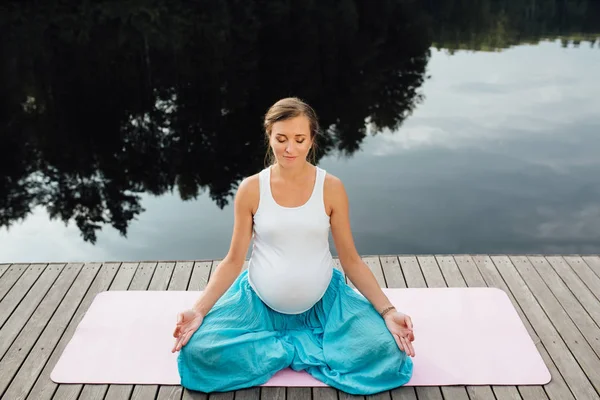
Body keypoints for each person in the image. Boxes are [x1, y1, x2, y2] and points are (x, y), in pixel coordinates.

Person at [172, 97, 415, 395]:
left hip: (326, 306)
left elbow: (351, 260)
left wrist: (388, 311)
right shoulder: (250, 189)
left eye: (300, 139)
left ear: (312, 140)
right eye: (281, 139)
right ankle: (302, 347)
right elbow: (234, 261)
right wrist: (198, 310)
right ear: (269, 136)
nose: (290, 149)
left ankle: (277, 349)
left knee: (387, 350)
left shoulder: (332, 188)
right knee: (198, 352)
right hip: (257, 307)